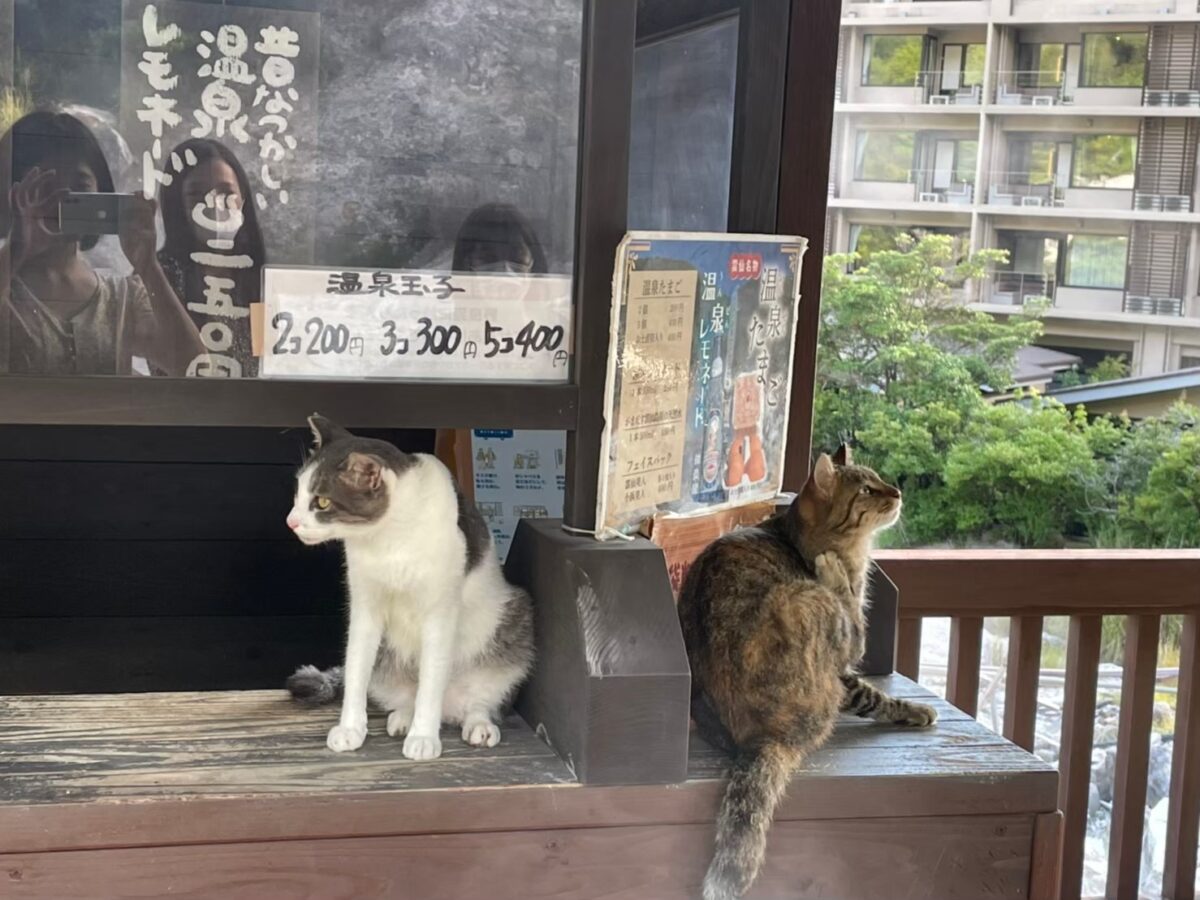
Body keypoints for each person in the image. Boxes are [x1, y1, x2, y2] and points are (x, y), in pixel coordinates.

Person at [0, 110, 201, 376]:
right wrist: (17, 249)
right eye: (47, 186)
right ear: (13, 193)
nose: (64, 197)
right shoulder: (7, 282)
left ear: (100, 189)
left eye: (80, 185)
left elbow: (191, 366)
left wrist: (149, 267)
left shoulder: (120, 295)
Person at [158, 138, 266, 378]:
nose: (214, 205)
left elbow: (268, 360)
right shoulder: (160, 274)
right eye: (196, 195)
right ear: (177, 204)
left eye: (227, 192)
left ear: (243, 200)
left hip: (255, 412)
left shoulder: (257, 278)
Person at [451, 203, 548, 275]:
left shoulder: (559, 300)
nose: (504, 272)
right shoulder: (438, 300)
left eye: (517, 259)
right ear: (466, 264)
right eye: (488, 259)